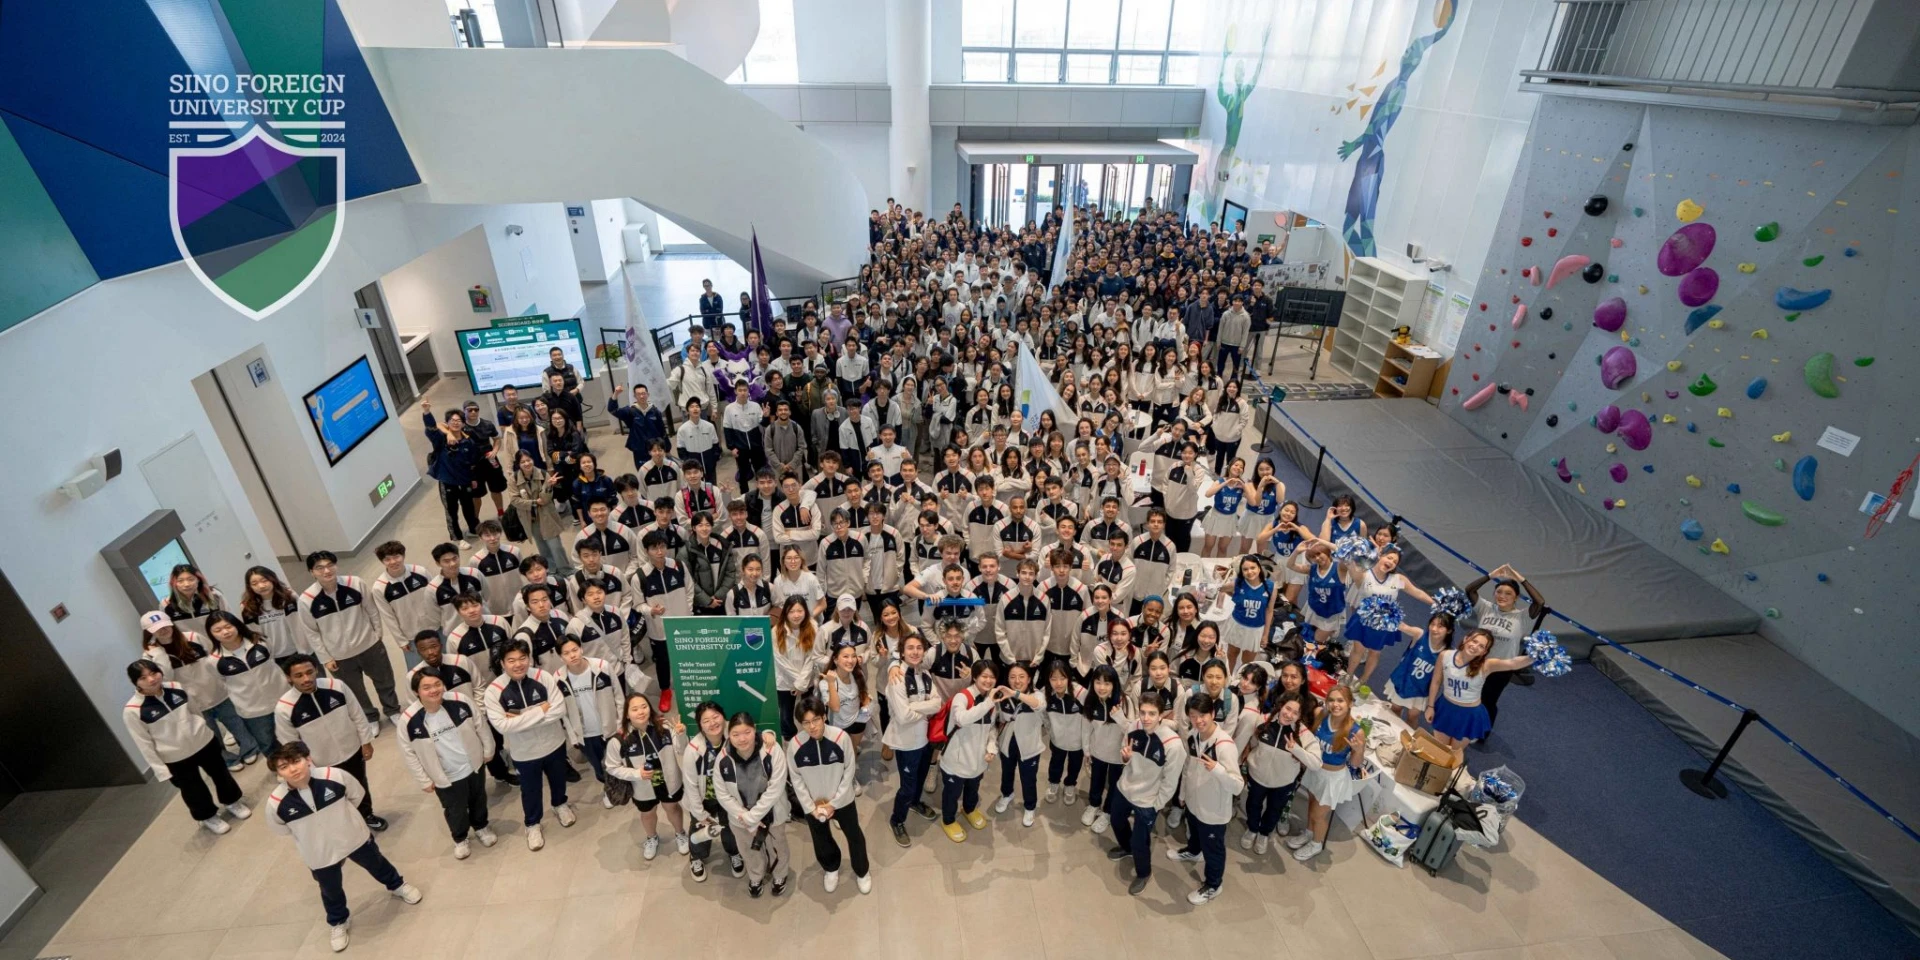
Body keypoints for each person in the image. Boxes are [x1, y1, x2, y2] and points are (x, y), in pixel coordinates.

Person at [263, 743, 422, 953]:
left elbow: (357, 795)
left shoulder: (334, 776)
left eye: (296, 761)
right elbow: (281, 829)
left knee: (376, 862)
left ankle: (397, 885)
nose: (293, 769)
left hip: (353, 837)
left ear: (308, 759)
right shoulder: (276, 802)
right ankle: (338, 921)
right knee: (330, 889)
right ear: (278, 773)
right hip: (319, 853)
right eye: (284, 767)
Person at [121, 659, 249, 834]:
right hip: (175, 757)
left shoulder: (176, 687)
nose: (151, 679)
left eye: (153, 673)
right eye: (143, 678)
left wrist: (202, 728)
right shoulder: (133, 710)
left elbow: (195, 711)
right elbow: (143, 743)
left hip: (203, 742)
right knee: (192, 789)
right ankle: (208, 817)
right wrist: (161, 770)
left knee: (221, 774)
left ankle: (232, 801)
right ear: (135, 682)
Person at [482, 640, 575, 850]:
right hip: (524, 752)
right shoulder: (494, 691)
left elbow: (559, 710)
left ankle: (560, 804)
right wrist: (541, 710)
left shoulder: (543, 677)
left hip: (554, 743)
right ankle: (532, 824)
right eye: (511, 660)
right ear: (502, 663)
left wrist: (519, 719)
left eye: (522, 658)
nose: (518, 664)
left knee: (558, 780)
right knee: (530, 790)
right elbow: (502, 726)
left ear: (529, 658)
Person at [395, 671, 498, 859]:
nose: (434, 690)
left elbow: (480, 724)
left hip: (473, 765)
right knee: (455, 809)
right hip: (446, 776)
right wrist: (423, 780)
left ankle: (481, 827)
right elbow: (408, 753)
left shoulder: (460, 700)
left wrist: (488, 749)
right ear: (416, 692)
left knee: (478, 799)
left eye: (437, 684)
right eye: (426, 687)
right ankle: (460, 838)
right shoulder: (409, 720)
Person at [275, 657, 386, 831]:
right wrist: (309, 768)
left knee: (359, 786)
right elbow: (290, 745)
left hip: (353, 751)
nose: (306, 679)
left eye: (309, 672)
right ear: (289, 678)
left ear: (316, 670)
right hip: (321, 763)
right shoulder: (284, 708)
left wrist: (366, 742)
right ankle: (347, 826)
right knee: (333, 795)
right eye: (299, 675)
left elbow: (357, 714)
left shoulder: (336, 686)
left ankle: (366, 815)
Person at [297, 551, 402, 731]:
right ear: (311, 572)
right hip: (339, 656)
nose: (326, 571)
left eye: (330, 565)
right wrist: (326, 658)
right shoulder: (307, 599)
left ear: (336, 566)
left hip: (369, 645)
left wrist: (377, 635)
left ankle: (393, 710)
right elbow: (311, 632)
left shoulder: (355, 583)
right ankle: (370, 717)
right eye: (320, 568)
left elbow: (371, 609)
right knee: (355, 690)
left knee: (384, 680)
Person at [138, 610, 250, 769]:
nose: (163, 630)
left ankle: (250, 749)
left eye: (165, 625)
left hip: (217, 692)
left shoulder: (192, 637)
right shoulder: (150, 656)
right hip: (192, 702)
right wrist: (159, 655)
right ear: (148, 632)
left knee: (237, 723)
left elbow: (214, 655)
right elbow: (165, 680)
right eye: (157, 629)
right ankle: (227, 760)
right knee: (210, 734)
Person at [1104, 690, 1185, 896]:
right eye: (1143, 712)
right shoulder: (1133, 727)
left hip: (1148, 801)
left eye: (1152, 713)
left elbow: (1170, 782)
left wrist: (1156, 805)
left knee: (1140, 841)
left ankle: (1143, 872)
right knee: (1116, 821)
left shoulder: (1173, 745)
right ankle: (1126, 848)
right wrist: (1125, 759)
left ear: (1161, 715)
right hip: (1125, 789)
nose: (1146, 718)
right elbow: (1125, 754)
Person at [788, 697, 872, 894]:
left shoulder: (841, 738)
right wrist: (810, 807)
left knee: (854, 835)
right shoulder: (795, 745)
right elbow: (796, 779)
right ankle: (831, 868)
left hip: (843, 802)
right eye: (806, 723)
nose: (812, 727)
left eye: (815, 720)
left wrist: (835, 802)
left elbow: (849, 771)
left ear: (824, 717)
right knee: (821, 838)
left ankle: (862, 871)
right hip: (814, 806)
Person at [1170, 691, 1242, 905]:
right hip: (1194, 802)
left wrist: (1218, 769)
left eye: (1203, 715)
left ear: (1212, 714)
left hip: (1213, 812)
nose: (1198, 720)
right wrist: (1183, 793)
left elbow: (1237, 786)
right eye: (1193, 716)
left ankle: (1213, 885)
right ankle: (1193, 851)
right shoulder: (1193, 735)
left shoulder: (1224, 745)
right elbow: (1188, 767)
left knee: (1214, 850)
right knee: (1194, 832)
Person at [604, 691, 692, 861]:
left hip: (668, 781)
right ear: (627, 715)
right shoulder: (619, 739)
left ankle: (680, 833)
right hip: (642, 786)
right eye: (635, 709)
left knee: (672, 808)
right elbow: (612, 767)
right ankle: (652, 837)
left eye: (644, 707)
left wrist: (681, 734)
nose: (641, 712)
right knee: (648, 813)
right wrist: (636, 774)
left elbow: (681, 750)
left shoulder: (664, 727)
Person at [714, 711, 793, 898]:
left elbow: (776, 787)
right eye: (736, 734)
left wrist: (753, 816)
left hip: (772, 813)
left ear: (755, 730)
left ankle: (780, 874)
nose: (742, 739)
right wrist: (745, 817)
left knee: (777, 844)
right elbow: (722, 794)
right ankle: (756, 875)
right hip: (740, 818)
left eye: (747, 732)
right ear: (728, 735)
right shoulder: (723, 759)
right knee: (748, 849)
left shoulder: (772, 750)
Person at [1287, 685, 1367, 862]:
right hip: (1314, 770)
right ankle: (1309, 833)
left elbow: (1355, 764)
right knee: (1311, 805)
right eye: (1331, 700)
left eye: (1340, 700)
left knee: (1319, 815)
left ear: (1350, 703)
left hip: (1333, 778)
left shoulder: (1356, 731)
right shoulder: (1320, 715)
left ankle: (1317, 844)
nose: (1335, 704)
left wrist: (1358, 750)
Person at [882, 633, 945, 845]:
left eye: (919, 648)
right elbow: (903, 716)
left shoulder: (925, 674)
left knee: (920, 777)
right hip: (906, 743)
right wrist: (925, 709)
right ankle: (897, 820)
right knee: (907, 786)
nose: (915, 652)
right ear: (902, 652)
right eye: (910, 648)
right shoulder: (897, 678)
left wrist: (915, 707)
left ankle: (914, 803)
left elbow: (937, 703)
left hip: (925, 739)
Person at [1427, 627, 1536, 748]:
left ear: (1484, 652)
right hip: (1445, 708)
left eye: (1481, 646)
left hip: (1468, 715)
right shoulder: (1445, 655)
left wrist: (1534, 656)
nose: (1475, 646)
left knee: (1454, 752)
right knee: (1439, 748)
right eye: (1474, 641)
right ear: (1466, 639)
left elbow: (1512, 663)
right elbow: (1436, 681)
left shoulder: (1486, 665)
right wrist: (1430, 706)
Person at [1466, 562, 1549, 717]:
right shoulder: (1485, 608)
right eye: (1499, 592)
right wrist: (1491, 575)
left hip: (1501, 669)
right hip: (1478, 662)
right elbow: (1470, 590)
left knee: (1488, 702)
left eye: (1508, 593)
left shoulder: (1522, 616)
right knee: (1469, 696)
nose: (1502, 596)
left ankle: (1484, 729)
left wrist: (1520, 578)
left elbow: (1540, 602)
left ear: (1516, 597)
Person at [679, 700, 749, 882]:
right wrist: (699, 812)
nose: (712, 723)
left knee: (730, 827)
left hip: (728, 797)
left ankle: (734, 853)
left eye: (716, 717)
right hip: (705, 799)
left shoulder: (733, 736)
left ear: (723, 716)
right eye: (706, 720)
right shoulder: (693, 750)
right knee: (701, 827)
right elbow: (691, 785)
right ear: (700, 725)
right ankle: (696, 857)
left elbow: (751, 735)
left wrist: (768, 736)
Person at [938, 661, 1005, 843]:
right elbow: (961, 719)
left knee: (973, 788)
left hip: (978, 760)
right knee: (952, 793)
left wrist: (991, 748)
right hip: (956, 761)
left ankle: (969, 809)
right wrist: (989, 703)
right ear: (974, 677)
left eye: (992, 677)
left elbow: (992, 728)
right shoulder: (963, 697)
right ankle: (948, 820)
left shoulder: (992, 701)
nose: (988, 680)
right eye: (984, 676)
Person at [205, 611, 286, 759]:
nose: (225, 632)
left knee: (294, 733)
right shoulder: (213, 660)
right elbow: (222, 681)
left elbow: (273, 658)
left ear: (236, 625)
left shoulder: (260, 642)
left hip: (281, 698)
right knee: (268, 744)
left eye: (228, 626)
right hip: (252, 711)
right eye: (218, 630)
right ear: (211, 634)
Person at [1239, 692, 1309, 855]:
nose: (1289, 715)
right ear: (1281, 706)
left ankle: (1264, 834)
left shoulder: (1303, 734)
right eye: (1287, 708)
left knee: (1274, 810)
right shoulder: (1263, 721)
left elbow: (1314, 762)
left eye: (1295, 712)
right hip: (1257, 777)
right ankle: (1252, 829)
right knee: (1253, 805)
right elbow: (1254, 743)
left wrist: (1297, 750)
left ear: (1300, 716)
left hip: (1283, 782)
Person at [557, 638, 623, 804]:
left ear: (581, 649)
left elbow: (619, 696)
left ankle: (624, 784)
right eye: (566, 653)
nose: (572, 655)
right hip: (585, 734)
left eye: (574, 650)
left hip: (610, 728)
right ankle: (608, 790)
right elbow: (563, 713)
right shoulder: (558, 678)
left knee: (617, 759)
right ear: (560, 657)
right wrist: (573, 736)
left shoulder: (602, 667)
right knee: (598, 766)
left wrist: (620, 722)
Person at [422, 399, 487, 545]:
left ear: (463, 424)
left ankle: (474, 530)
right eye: (452, 420)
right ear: (447, 423)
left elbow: (473, 462)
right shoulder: (441, 440)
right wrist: (427, 412)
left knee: (469, 508)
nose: (456, 423)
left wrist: (473, 478)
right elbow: (431, 429)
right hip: (447, 482)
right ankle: (457, 537)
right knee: (451, 511)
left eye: (459, 421)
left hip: (465, 481)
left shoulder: (468, 442)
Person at [369, 543, 436, 670]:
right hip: (410, 636)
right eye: (387, 559)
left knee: (444, 663)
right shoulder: (379, 587)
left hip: (435, 628)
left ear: (403, 556)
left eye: (396, 556)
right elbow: (388, 617)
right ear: (382, 561)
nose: (393, 562)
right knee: (418, 672)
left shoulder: (420, 571)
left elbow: (435, 596)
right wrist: (401, 641)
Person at [1386, 612, 1454, 726]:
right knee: (1395, 709)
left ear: (1449, 630)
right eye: (1432, 624)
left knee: (1413, 716)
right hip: (1403, 681)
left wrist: (1431, 704)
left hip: (1421, 689)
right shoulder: (1420, 634)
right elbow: (1402, 626)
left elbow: (1438, 681)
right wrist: (1386, 612)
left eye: (1440, 626)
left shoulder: (1447, 653)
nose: (1434, 629)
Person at [771, 596, 825, 738]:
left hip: (807, 678)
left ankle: (812, 735)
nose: (796, 615)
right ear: (785, 613)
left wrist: (802, 681)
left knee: (810, 711)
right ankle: (790, 739)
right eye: (792, 611)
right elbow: (779, 659)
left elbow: (812, 656)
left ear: (805, 611)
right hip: (785, 680)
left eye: (800, 611)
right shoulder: (776, 631)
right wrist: (798, 681)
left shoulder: (813, 626)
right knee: (785, 715)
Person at [242, 566, 308, 668]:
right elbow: (252, 635)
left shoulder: (289, 597)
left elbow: (304, 621)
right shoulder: (247, 607)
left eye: (264, 580)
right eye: (254, 584)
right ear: (249, 587)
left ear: (272, 579)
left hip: (300, 651)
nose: (261, 586)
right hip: (272, 658)